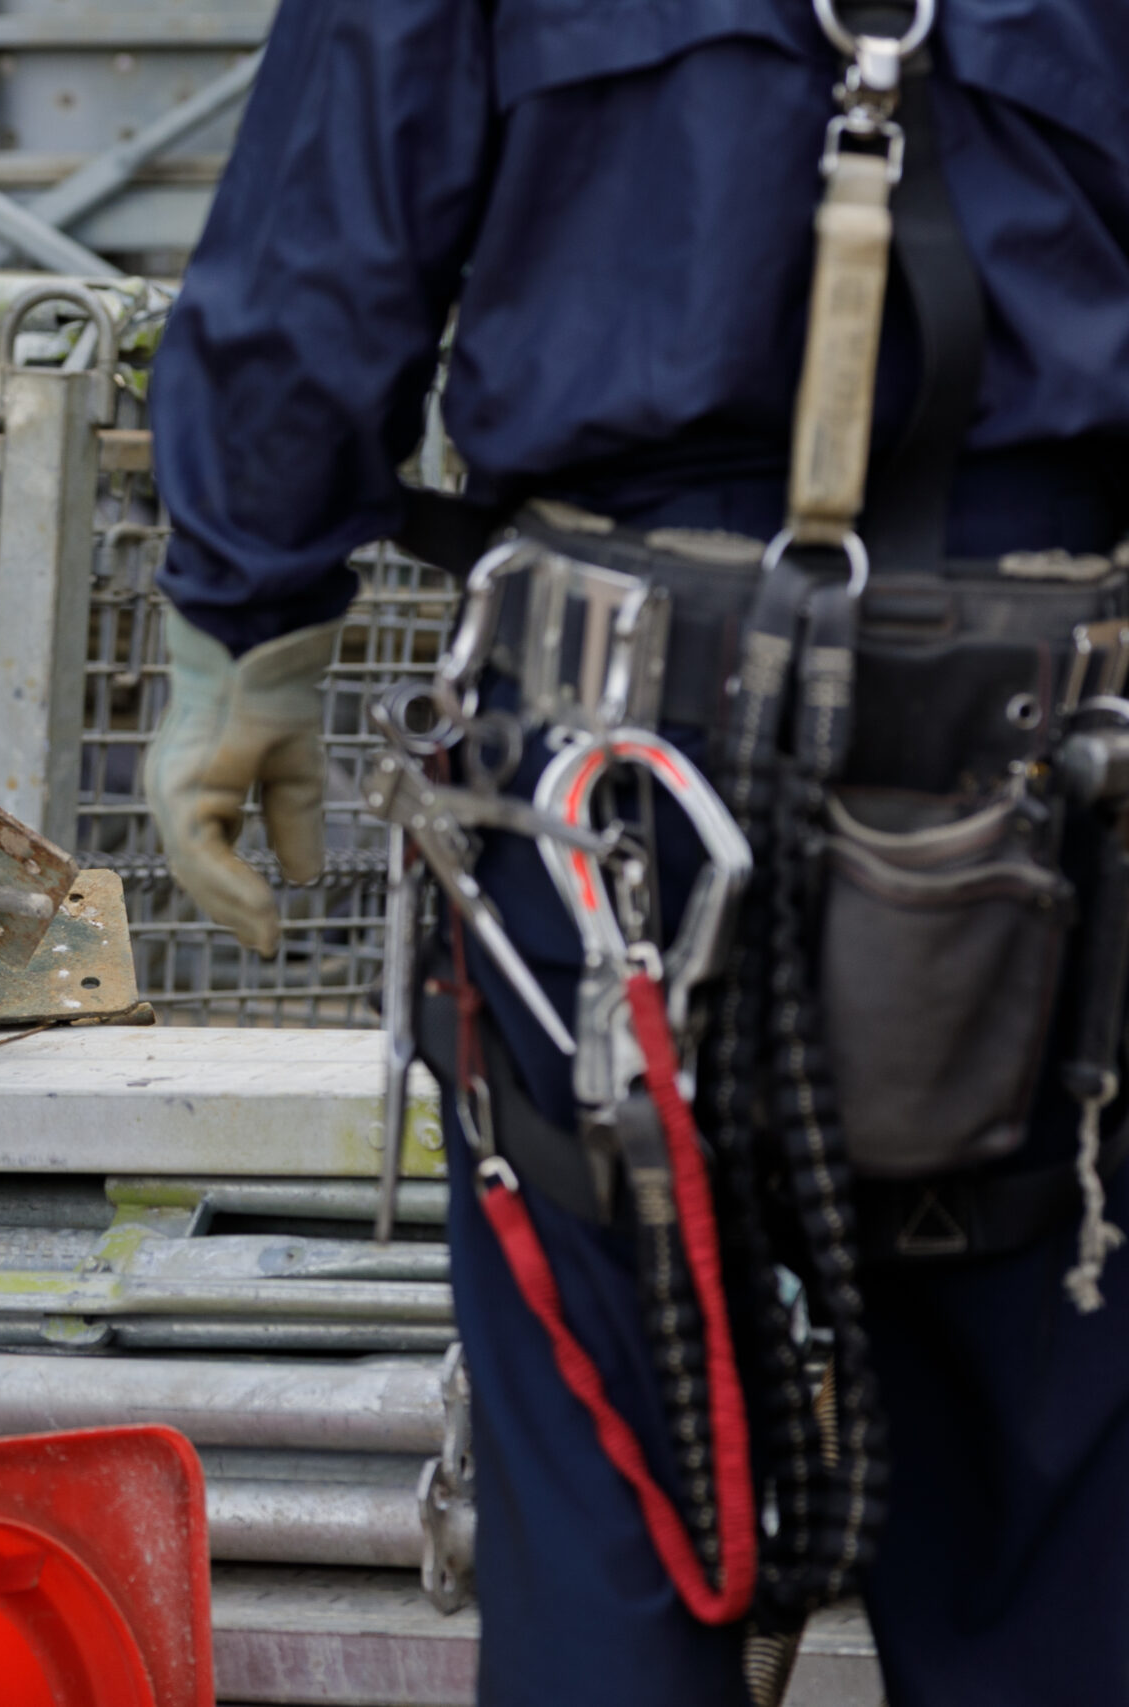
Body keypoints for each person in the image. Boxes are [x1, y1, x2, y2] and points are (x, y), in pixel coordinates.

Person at [144, 1, 1129, 1703]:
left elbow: (329, 236)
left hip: (606, 788)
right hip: (1047, 770)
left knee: (612, 1503)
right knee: (1055, 1528)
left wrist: (251, 627)